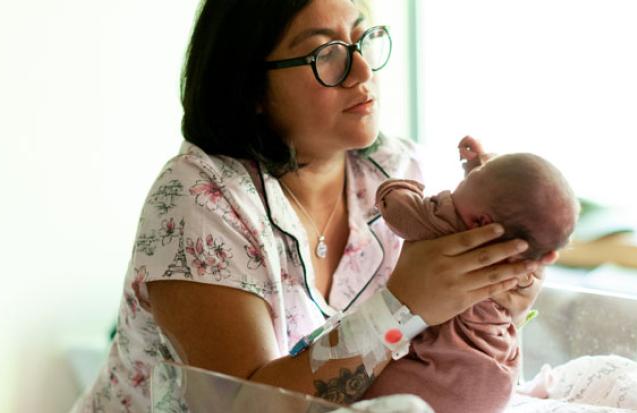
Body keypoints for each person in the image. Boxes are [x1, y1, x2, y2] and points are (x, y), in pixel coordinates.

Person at [70, 1, 554, 412]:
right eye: (327, 54)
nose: (363, 71)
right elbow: (248, 408)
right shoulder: (200, 198)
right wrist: (401, 306)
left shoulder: (395, 169)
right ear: (251, 85)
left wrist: (504, 296)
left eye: (364, 41)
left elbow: (442, 357)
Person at [362, 136, 579, 413]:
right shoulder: (519, 260)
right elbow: (494, 199)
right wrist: (477, 169)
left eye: (463, 184)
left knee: (363, 392)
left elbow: (399, 209)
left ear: (480, 222)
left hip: (436, 378)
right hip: (494, 381)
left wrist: (395, 187)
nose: (453, 191)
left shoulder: (449, 226)